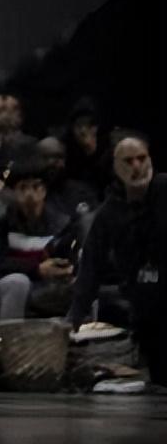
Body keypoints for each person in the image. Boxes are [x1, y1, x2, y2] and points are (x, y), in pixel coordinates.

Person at [67, 133, 165, 385]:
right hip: (145, 306)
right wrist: (74, 317)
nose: (137, 166)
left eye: (142, 158)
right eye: (128, 161)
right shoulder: (110, 212)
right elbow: (91, 265)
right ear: (116, 167)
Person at [0, 159, 79, 320]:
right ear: (14, 192)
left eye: (36, 187)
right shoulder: (1, 221)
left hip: (51, 285)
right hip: (13, 283)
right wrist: (36, 269)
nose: (30, 194)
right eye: (23, 188)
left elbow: (68, 258)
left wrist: (66, 269)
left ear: (44, 191)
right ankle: (10, 333)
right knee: (18, 282)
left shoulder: (62, 223)